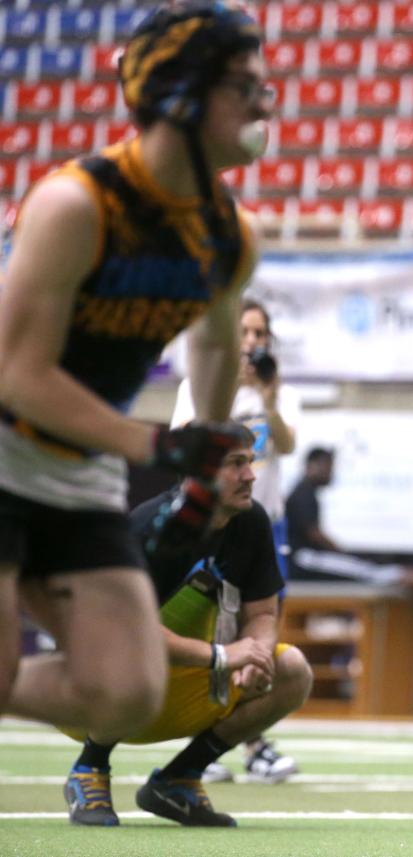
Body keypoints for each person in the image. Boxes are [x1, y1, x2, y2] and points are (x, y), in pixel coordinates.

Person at [0, 0, 270, 746]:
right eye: (240, 83)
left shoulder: (228, 230)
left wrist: (207, 451)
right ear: (180, 93)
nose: (263, 100)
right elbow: (17, 375)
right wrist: (153, 445)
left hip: (74, 471)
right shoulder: (73, 204)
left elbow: (214, 346)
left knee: (124, 692)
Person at [60, 426, 313, 827]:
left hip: (179, 686)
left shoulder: (251, 522)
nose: (250, 475)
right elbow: (127, 631)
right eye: (236, 464)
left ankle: (180, 778)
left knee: (292, 670)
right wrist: (224, 656)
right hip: (93, 693)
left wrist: (256, 653)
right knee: (127, 651)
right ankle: (89, 768)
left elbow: (263, 614)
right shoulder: (150, 528)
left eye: (251, 462)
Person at [172, 298, 302, 784]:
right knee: (208, 632)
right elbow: (187, 443)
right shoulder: (201, 385)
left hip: (266, 525)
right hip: (211, 524)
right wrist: (225, 391)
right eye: (244, 333)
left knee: (263, 628)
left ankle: (252, 742)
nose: (251, 343)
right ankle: (199, 742)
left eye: (259, 334)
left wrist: (267, 397)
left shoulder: (279, 391)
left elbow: (286, 443)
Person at [286, 447, 413, 586]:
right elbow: (314, 533)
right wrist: (341, 552)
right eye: (328, 466)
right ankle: (400, 575)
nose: (331, 472)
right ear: (312, 465)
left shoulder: (306, 492)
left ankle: (400, 574)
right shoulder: (303, 494)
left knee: (359, 566)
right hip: (304, 559)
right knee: (362, 571)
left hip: (309, 557)